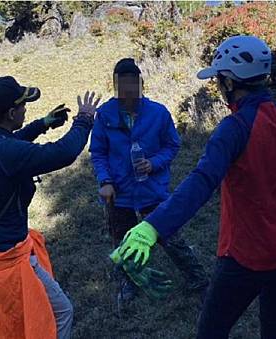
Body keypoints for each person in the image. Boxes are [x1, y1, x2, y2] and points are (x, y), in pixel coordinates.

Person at [113, 36, 276, 338]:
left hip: (247, 257)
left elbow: (201, 182)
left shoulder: (233, 129)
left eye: (218, 79)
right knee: (275, 324)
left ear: (230, 83)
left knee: (211, 330)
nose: (217, 86)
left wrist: (152, 226)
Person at [0, 75, 101, 339]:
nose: (25, 109)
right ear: (11, 112)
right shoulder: (4, 152)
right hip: (8, 263)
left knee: (16, 327)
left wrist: (42, 124)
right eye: (23, 106)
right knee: (60, 312)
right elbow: (63, 153)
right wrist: (84, 120)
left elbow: (13, 140)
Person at [89, 58, 208, 302]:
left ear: (141, 84)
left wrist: (155, 163)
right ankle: (130, 283)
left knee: (170, 236)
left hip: (152, 189)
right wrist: (105, 181)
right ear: (115, 86)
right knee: (122, 241)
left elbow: (172, 145)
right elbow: (98, 152)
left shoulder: (158, 113)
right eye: (122, 88)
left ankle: (198, 279)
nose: (128, 93)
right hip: (118, 193)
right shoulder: (105, 115)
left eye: (133, 86)